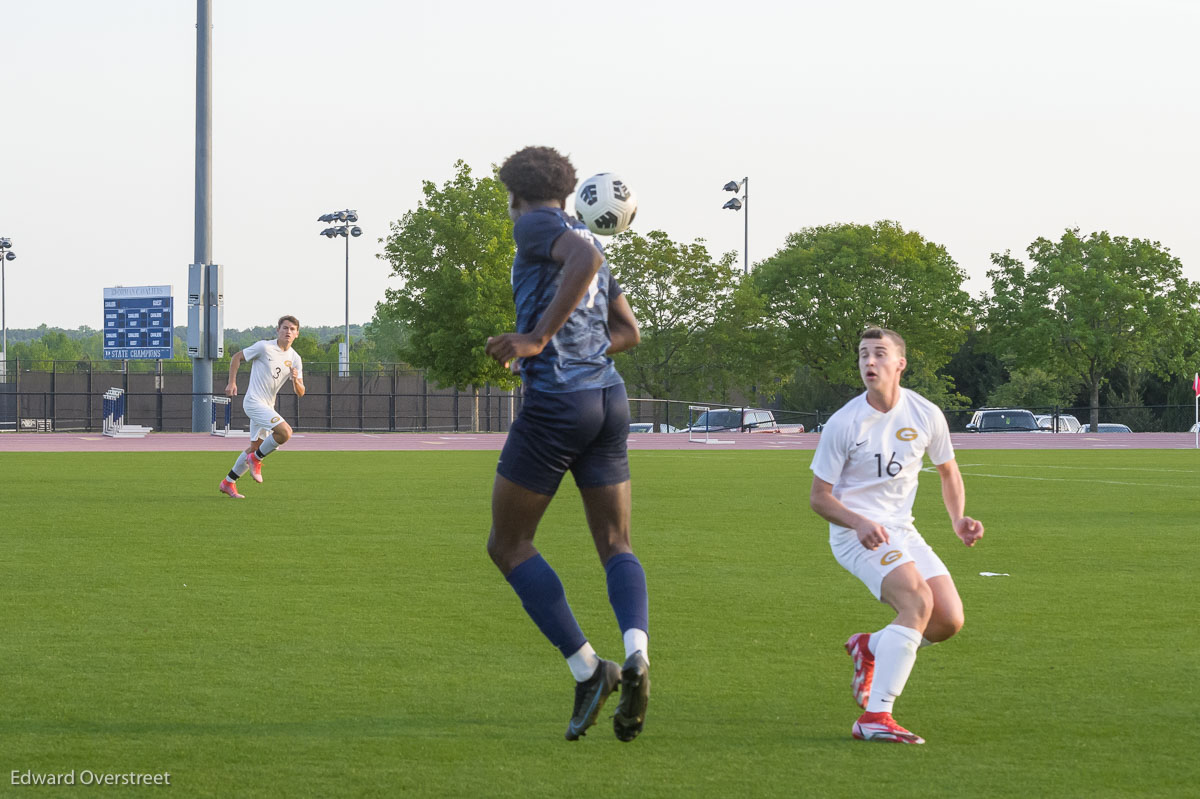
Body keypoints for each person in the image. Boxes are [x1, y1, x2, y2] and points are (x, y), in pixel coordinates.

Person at [484, 146, 650, 742]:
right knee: (615, 541)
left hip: (556, 405)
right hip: (608, 401)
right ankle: (637, 652)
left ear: (514, 194)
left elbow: (586, 254)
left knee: (508, 544)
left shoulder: (539, 225)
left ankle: (590, 669)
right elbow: (627, 332)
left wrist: (537, 337)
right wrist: (577, 349)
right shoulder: (574, 227)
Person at [808, 327, 984, 744]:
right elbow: (818, 498)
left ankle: (871, 647)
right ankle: (876, 716)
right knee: (917, 601)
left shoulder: (925, 414)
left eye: (879, 354)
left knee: (947, 620)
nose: (870, 362)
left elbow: (948, 472)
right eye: (863, 354)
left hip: (902, 530)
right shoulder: (844, 422)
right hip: (856, 536)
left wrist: (958, 519)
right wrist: (859, 522)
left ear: (900, 363)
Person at [218, 315, 306, 498]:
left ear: (297, 334)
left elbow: (301, 392)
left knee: (254, 447)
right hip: (253, 402)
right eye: (285, 328)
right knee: (285, 432)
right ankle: (256, 459)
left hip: (268, 406)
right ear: (278, 330)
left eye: (292, 329)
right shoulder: (265, 347)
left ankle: (228, 482)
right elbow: (237, 357)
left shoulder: (295, 358)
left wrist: (295, 380)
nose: (288, 332)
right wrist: (231, 383)